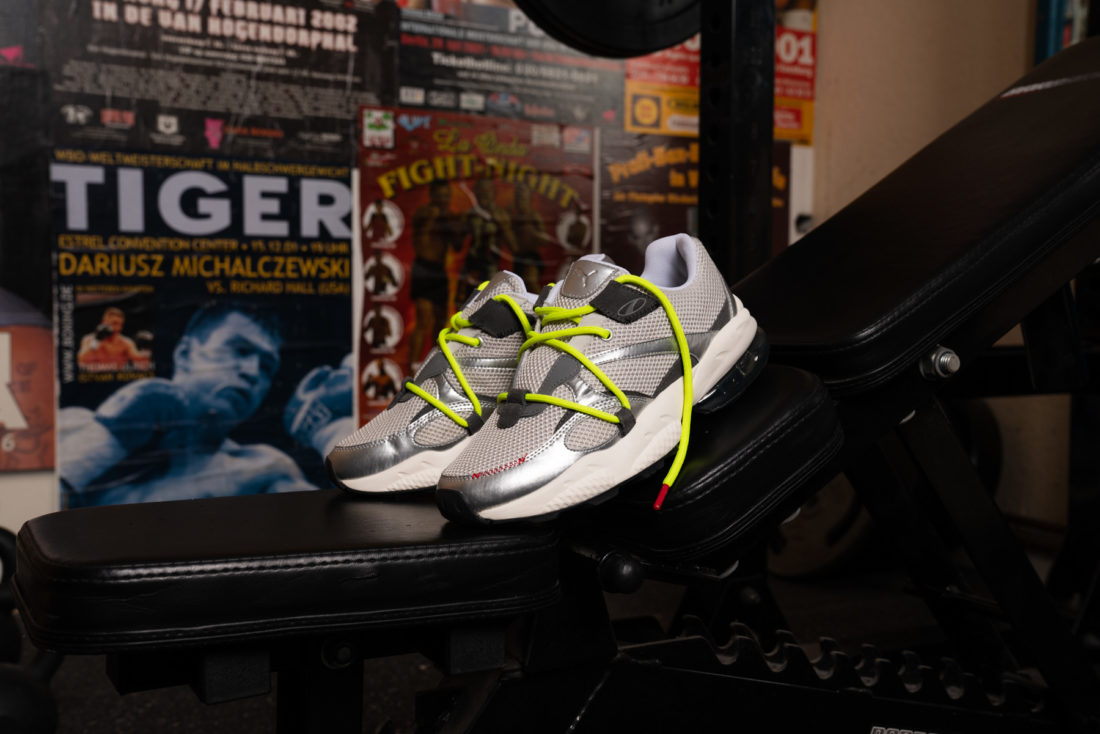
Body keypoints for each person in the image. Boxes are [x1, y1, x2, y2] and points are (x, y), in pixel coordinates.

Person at [59, 303, 315, 506]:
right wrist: (107, 439)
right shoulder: (73, 427)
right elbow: (40, 529)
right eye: (240, 350)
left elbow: (321, 540)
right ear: (184, 354)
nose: (252, 372)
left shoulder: (263, 469)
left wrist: (332, 433)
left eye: (267, 367)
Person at [408, 179, 463, 369]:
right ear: (432, 195)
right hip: (423, 268)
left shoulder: (449, 217)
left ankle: (432, 367)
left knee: (440, 322)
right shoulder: (425, 213)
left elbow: (457, 246)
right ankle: (412, 367)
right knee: (423, 321)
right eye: (440, 195)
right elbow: (419, 241)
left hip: (439, 271)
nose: (443, 199)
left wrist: (458, 226)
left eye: (446, 195)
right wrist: (436, 219)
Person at [457, 177, 516, 304]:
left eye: (487, 191)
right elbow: (457, 247)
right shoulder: (470, 215)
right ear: (475, 193)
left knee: (489, 303)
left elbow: (515, 248)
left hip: (491, 268)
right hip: (471, 266)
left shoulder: (501, 215)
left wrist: (503, 227)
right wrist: (460, 228)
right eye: (480, 191)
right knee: (465, 304)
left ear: (494, 193)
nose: (484, 194)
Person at [509, 180, 551, 293]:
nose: (520, 202)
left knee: (530, 280)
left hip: (532, 256)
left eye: (523, 199)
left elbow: (546, 240)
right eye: (517, 198)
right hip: (518, 257)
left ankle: (542, 302)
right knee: (519, 286)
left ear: (529, 200)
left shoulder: (534, 216)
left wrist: (533, 233)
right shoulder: (513, 217)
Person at [77, 307, 149, 371]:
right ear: (104, 322)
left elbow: (142, 365)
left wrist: (146, 350)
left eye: (120, 324)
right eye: (114, 323)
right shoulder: (89, 339)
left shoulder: (125, 343)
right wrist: (96, 341)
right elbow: (81, 361)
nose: (118, 328)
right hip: (95, 379)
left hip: (115, 379)